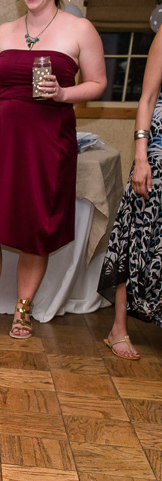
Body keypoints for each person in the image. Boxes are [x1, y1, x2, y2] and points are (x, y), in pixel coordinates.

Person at [0, 0, 105, 339]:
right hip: (2, 140)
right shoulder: (4, 32)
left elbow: (98, 83)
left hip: (48, 142)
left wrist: (63, 93)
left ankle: (23, 311)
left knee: (34, 228)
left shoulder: (80, 28)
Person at [97, 29, 162, 359]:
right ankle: (118, 329)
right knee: (135, 231)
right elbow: (147, 98)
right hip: (159, 151)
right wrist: (141, 156)